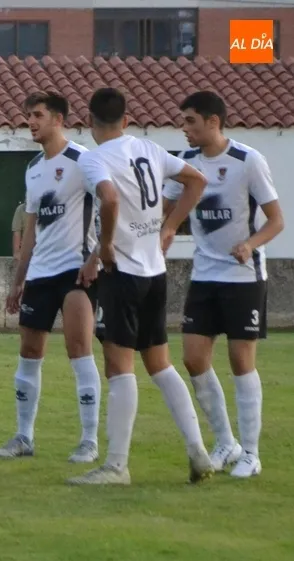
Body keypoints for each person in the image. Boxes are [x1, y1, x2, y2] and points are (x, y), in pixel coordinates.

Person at [67, 87, 213, 486]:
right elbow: (197, 180)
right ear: (126, 120)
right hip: (154, 272)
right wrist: (170, 226)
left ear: (90, 122)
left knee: (119, 367)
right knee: (160, 364)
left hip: (124, 274)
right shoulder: (149, 148)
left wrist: (105, 247)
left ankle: (117, 466)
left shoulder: (94, 158)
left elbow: (110, 199)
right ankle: (198, 451)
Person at [162, 91, 284, 479]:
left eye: (191, 121)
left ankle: (251, 453)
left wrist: (250, 244)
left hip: (243, 278)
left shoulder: (248, 161)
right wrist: (160, 230)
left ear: (213, 122)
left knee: (240, 361)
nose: (184, 129)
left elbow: (276, 220)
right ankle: (225, 442)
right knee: (193, 358)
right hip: (204, 275)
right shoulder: (185, 163)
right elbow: (166, 208)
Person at [0, 92, 101, 463]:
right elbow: (31, 229)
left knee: (79, 350)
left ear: (58, 119)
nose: (31, 122)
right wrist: (18, 280)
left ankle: (89, 440)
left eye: (38, 115)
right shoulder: (34, 168)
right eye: (29, 116)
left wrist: (98, 257)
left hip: (75, 271)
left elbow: (110, 205)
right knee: (29, 352)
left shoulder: (83, 160)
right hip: (40, 273)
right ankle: (24, 436)